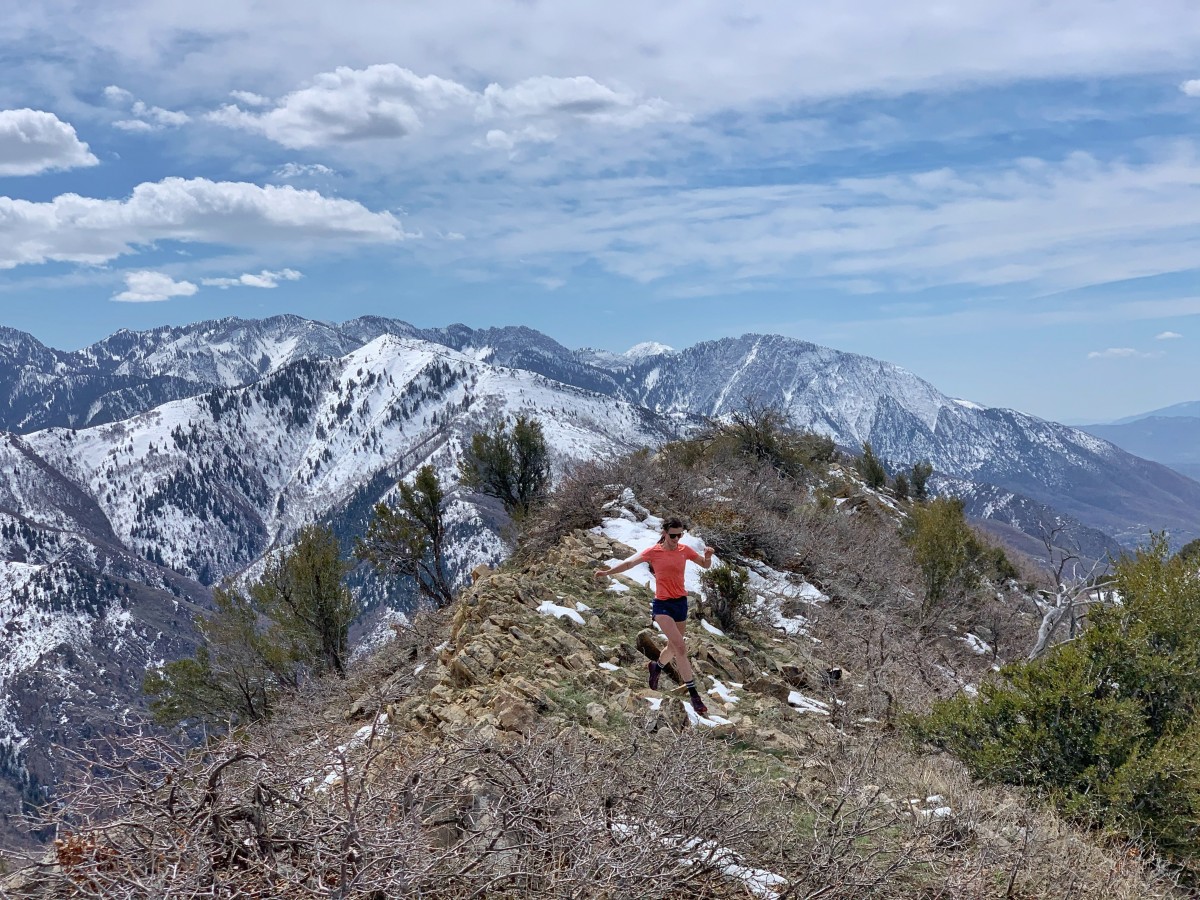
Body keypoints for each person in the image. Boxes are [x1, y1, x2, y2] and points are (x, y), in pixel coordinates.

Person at [594, 518, 715, 715]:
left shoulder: (684, 550)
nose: (676, 539)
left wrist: (707, 556)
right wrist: (608, 572)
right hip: (662, 605)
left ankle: (656, 666)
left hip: (680, 604)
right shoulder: (654, 551)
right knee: (681, 648)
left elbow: (705, 564)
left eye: (680, 535)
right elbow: (628, 564)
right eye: (673, 535)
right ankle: (694, 695)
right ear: (665, 533)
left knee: (673, 648)